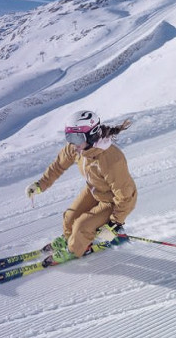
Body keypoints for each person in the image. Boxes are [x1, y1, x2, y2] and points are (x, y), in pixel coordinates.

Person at [26, 110, 137, 258]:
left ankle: (73, 250)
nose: (72, 143)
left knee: (81, 226)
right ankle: (69, 240)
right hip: (95, 190)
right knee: (70, 217)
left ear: (92, 135)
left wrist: (115, 223)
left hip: (113, 200)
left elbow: (125, 195)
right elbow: (58, 165)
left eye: (76, 137)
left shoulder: (111, 159)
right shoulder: (77, 149)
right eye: (69, 136)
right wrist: (40, 185)